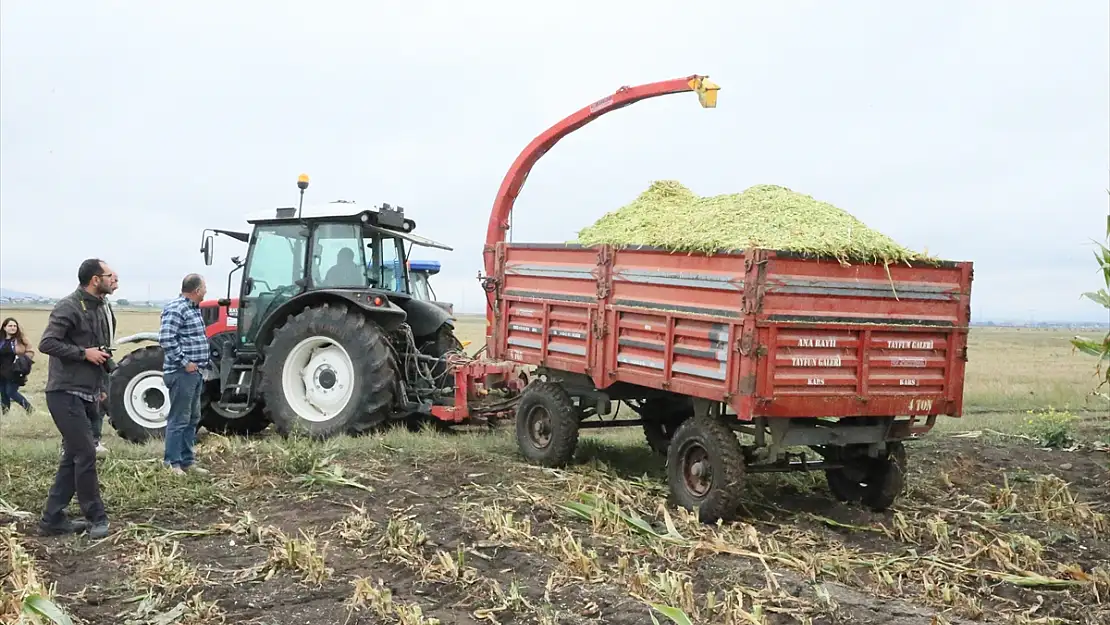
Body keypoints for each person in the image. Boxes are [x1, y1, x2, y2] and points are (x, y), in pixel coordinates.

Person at [37, 258, 117, 538]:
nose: (113, 278)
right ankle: (96, 517)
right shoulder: (69, 306)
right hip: (64, 392)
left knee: (73, 456)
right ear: (95, 279)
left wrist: (101, 386)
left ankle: (52, 519)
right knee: (85, 453)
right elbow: (47, 343)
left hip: (87, 392)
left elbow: (102, 352)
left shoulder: (100, 309)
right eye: (109, 274)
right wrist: (84, 353)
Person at [159, 273, 211, 476]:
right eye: (204, 288)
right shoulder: (176, 308)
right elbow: (166, 339)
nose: (206, 291)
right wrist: (184, 362)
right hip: (182, 373)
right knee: (179, 419)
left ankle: (188, 461)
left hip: (195, 373)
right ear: (197, 290)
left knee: (192, 418)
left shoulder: (194, 309)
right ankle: (172, 463)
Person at [0, 317, 35, 414]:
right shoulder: (1, 340)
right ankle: (6, 415)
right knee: (3, 394)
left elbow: (30, 351)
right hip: (2, 370)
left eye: (15, 326)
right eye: (10, 326)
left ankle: (30, 410)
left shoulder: (20, 339)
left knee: (11, 392)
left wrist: (23, 361)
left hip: (15, 370)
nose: (13, 328)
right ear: (4, 327)